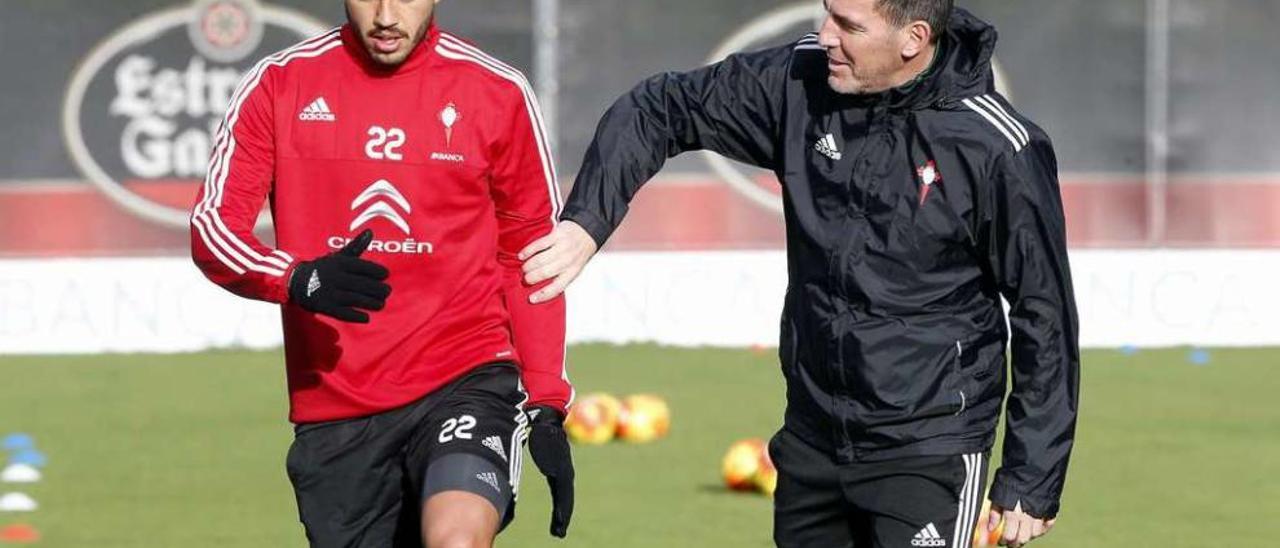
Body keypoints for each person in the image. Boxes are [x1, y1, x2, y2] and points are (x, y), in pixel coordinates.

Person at [519, 0, 1078, 547]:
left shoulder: (998, 148)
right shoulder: (800, 81)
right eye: (828, 13)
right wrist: (587, 222)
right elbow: (659, 106)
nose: (826, 34)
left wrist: (1031, 475)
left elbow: (1044, 313)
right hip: (813, 439)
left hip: (929, 448)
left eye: (849, 25)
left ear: (913, 39)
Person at [189, 0, 575, 546]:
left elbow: (531, 255)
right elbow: (212, 229)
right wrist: (300, 278)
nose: (387, 15)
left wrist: (546, 399)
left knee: (456, 540)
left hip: (466, 376)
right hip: (337, 410)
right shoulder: (280, 83)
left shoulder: (496, 90)